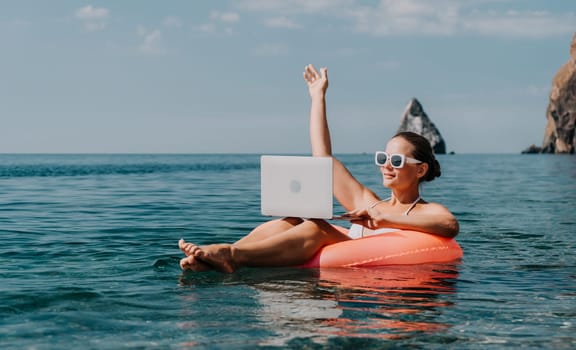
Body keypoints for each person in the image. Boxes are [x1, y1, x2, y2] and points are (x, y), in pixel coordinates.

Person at [178, 64, 459, 273]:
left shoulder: (422, 211)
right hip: (337, 275)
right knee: (291, 220)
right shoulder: (368, 202)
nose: (386, 166)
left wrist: (385, 220)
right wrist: (317, 98)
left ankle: (231, 255)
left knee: (318, 228)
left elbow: (449, 225)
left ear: (420, 170)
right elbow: (322, 157)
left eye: (396, 161)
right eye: (382, 158)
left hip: (361, 295)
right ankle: (218, 258)